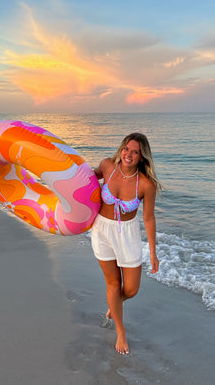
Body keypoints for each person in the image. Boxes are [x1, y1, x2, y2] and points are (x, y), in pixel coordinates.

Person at [91, 132, 161, 355]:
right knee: (112, 283)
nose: (129, 154)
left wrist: (153, 252)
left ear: (142, 157)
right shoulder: (108, 166)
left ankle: (115, 306)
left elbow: (148, 218)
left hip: (128, 235)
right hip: (102, 231)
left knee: (131, 289)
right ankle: (121, 332)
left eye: (135, 152)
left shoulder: (146, 185)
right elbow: (87, 182)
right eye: (126, 149)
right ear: (121, 148)